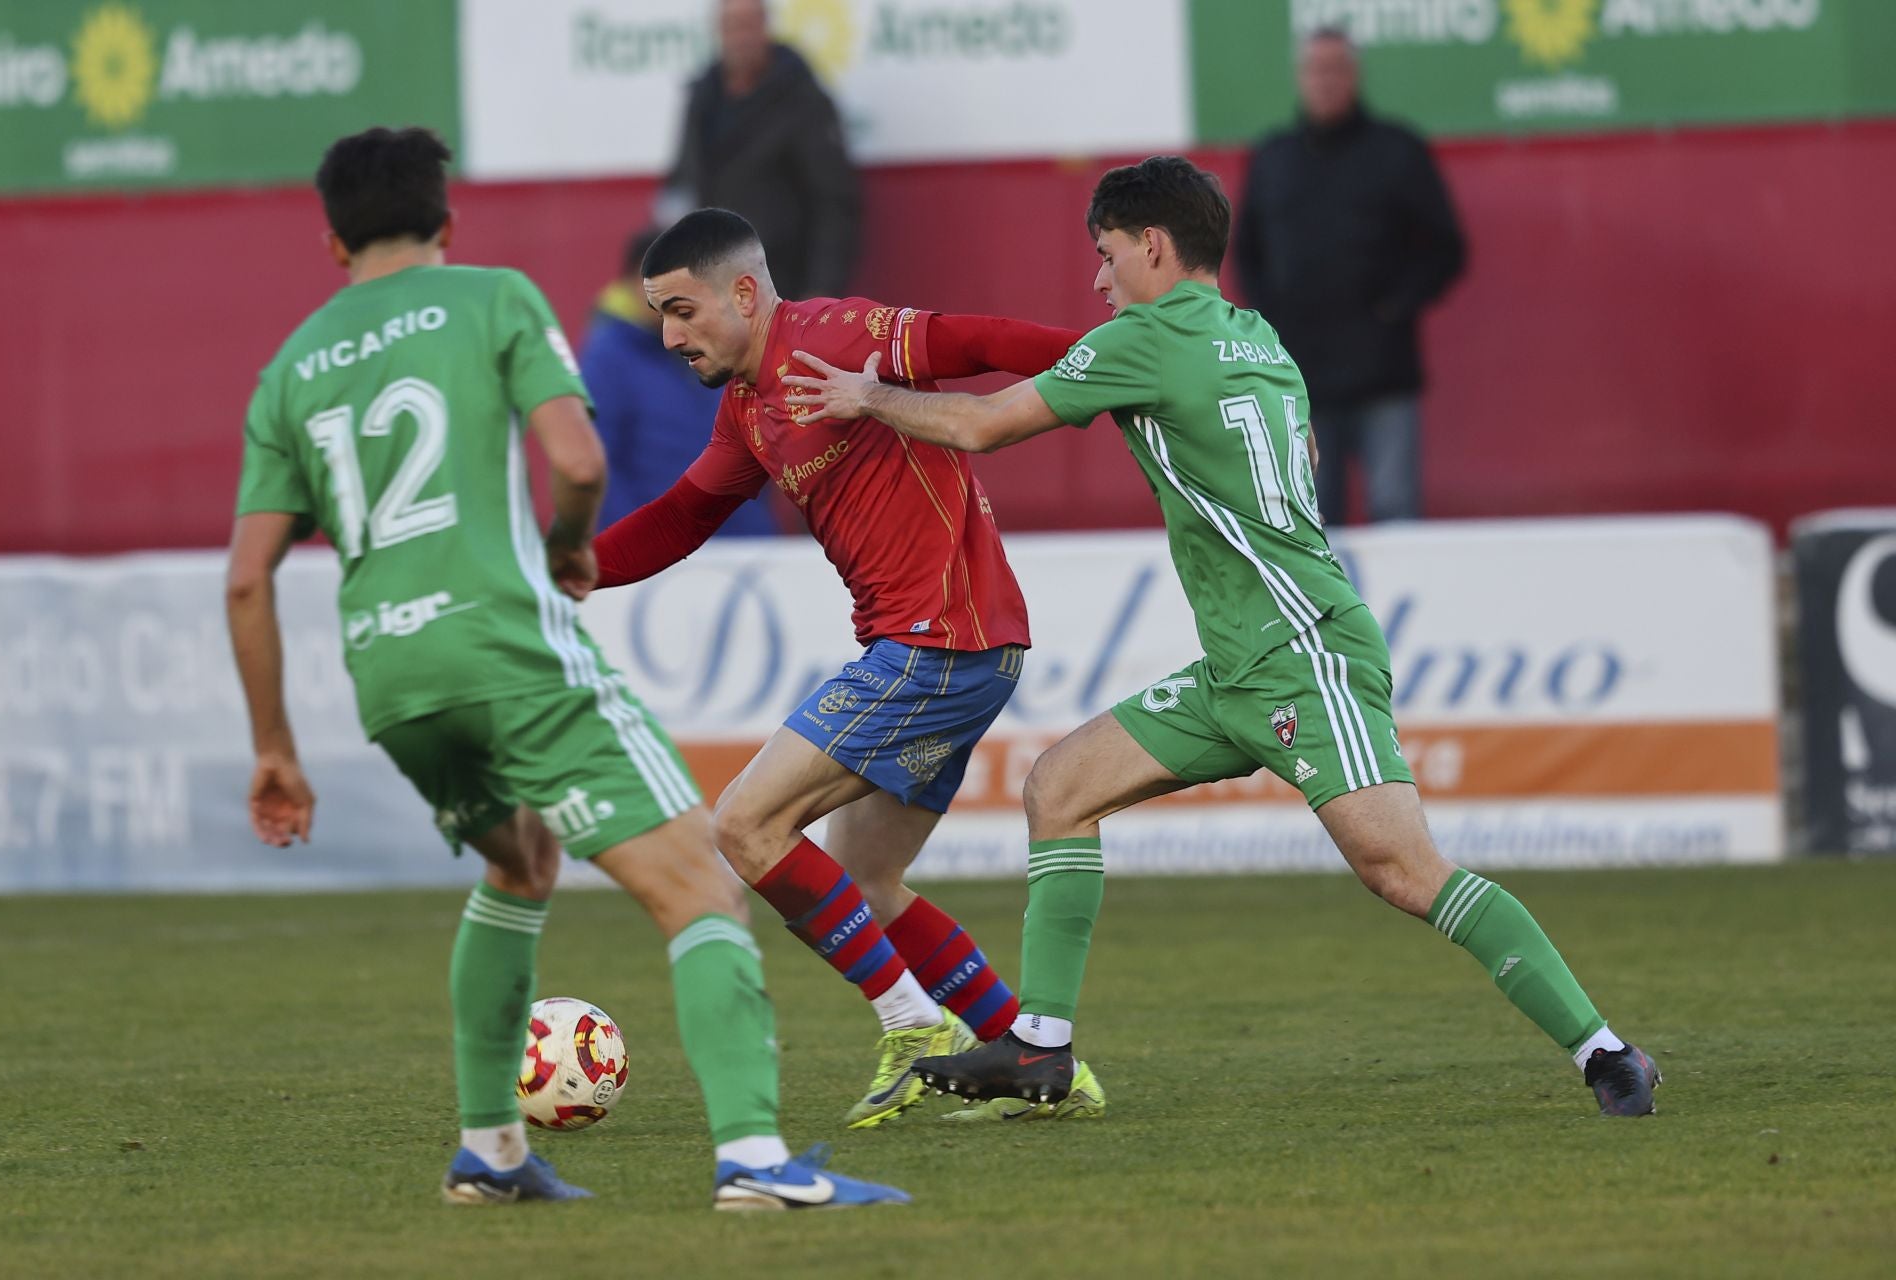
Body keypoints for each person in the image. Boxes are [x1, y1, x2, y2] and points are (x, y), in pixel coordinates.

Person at [783, 156, 1661, 1119]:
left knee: (1403, 870)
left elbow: (988, 422)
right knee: (1060, 788)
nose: (1098, 280)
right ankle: (1040, 1045)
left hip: (1302, 654)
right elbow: (1305, 454)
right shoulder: (1257, 338)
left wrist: (870, 401)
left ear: (1152, 248)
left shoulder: (1144, 338)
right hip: (1240, 666)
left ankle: (1606, 1051)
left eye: (1107, 255)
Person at [224, 126, 909, 1211]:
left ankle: (489, 1152)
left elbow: (249, 579)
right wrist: (570, 542)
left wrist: (273, 746)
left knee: (518, 863)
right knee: (700, 885)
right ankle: (757, 1161)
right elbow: (579, 457)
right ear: (445, 227)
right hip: (506, 648)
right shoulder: (491, 297)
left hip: (393, 677)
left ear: (330, 243)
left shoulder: (293, 367)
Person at [592, 207, 1105, 1127]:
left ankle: (914, 1026)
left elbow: (975, 340)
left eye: (682, 311)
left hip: (938, 644)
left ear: (743, 293)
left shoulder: (836, 337)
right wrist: (564, 571)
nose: (669, 336)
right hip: (953, 649)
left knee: (746, 824)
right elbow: (678, 520)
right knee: (867, 879)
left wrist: (1125, 362)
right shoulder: (746, 409)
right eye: (660, 316)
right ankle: (1041, 1064)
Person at [1234, 26, 1465, 525]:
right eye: (1317, 70)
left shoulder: (1398, 152)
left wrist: (1395, 306)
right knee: (1311, 520)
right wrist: (1270, 324)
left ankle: (1401, 606)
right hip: (1299, 378)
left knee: (1396, 511)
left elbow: (1446, 248)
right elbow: (1245, 254)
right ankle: (1324, 610)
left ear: (1354, 75)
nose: (1326, 80)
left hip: (1384, 374)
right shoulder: (1273, 159)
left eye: (1336, 69)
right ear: (1301, 77)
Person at [580, 228, 775, 534]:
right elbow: (595, 465)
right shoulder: (608, 359)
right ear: (635, 284)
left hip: (742, 552)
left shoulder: (723, 346)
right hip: (664, 562)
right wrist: (644, 543)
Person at [660, 0, 860, 300]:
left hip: (782, 287)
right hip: (714, 289)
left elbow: (833, 201)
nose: (741, 38)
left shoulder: (800, 98)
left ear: (766, 28)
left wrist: (822, 291)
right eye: (732, 27)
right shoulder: (703, 97)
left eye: (748, 26)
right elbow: (681, 185)